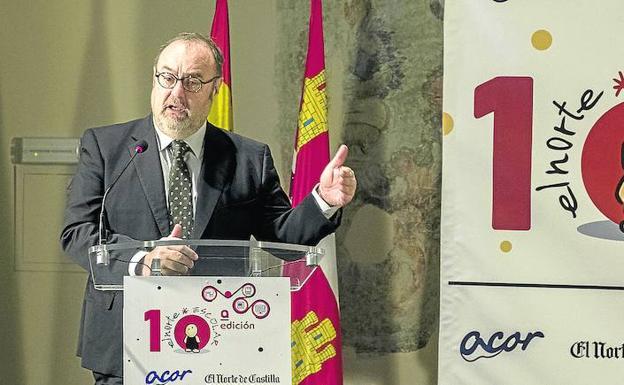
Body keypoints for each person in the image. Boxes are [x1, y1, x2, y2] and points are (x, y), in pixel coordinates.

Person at [60, 32, 356, 384]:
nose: (176, 93)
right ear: (154, 78)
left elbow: (281, 235)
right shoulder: (106, 147)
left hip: (222, 341)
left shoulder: (248, 157)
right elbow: (78, 233)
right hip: (125, 341)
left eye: (193, 82)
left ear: (215, 89)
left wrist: (323, 200)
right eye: (167, 78)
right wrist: (144, 260)